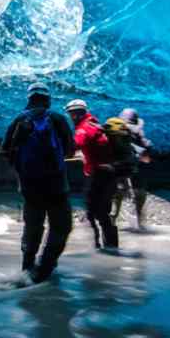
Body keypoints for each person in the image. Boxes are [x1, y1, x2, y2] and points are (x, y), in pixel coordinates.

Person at [1, 82, 75, 283]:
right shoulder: (58, 119)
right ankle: (45, 268)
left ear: (29, 99)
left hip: (29, 187)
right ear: (47, 99)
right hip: (57, 186)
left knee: (33, 226)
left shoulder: (19, 120)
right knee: (61, 227)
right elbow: (70, 150)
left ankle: (26, 269)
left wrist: (22, 171)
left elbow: (5, 150)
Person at [64, 99, 119, 251]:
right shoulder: (95, 123)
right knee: (103, 212)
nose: (70, 117)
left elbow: (73, 146)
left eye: (70, 114)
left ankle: (97, 247)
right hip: (110, 173)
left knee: (92, 211)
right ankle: (111, 246)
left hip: (97, 175)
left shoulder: (83, 128)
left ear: (75, 114)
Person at [114, 107, 153, 229]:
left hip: (119, 168)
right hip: (134, 168)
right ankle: (140, 223)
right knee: (139, 192)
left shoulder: (114, 133)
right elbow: (147, 158)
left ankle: (112, 220)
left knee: (118, 193)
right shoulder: (141, 137)